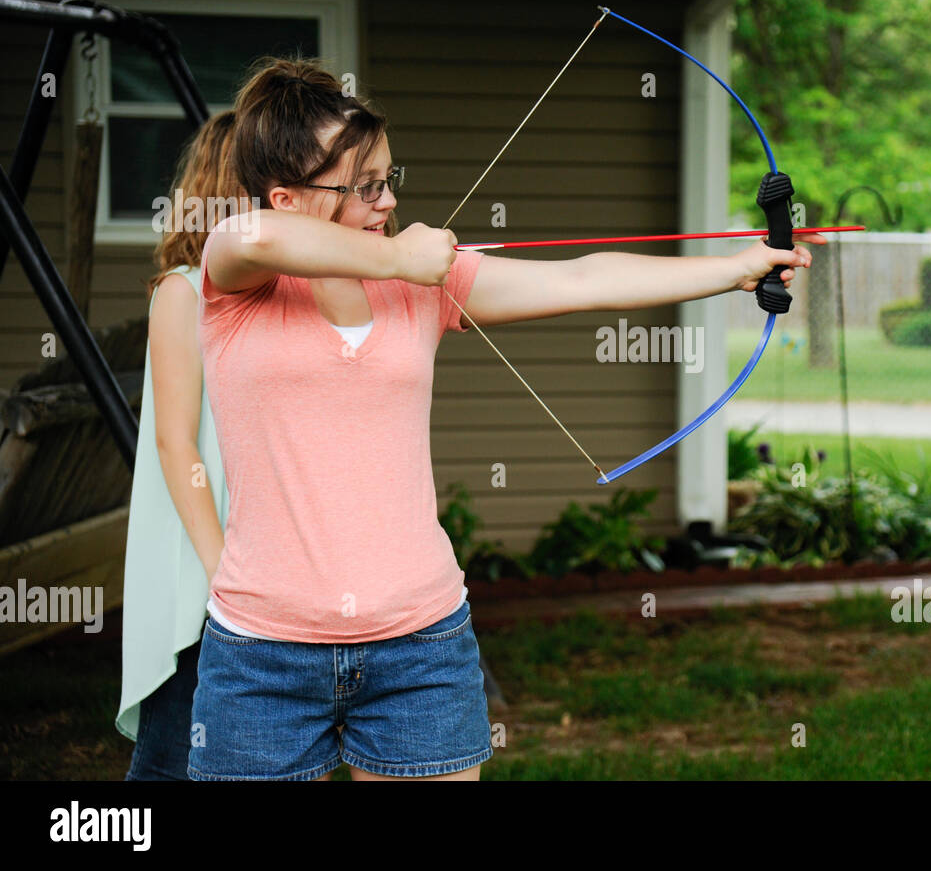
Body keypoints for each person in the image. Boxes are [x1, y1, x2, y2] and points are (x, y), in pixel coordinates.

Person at [188, 57, 821, 782]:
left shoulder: (423, 286)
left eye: (389, 179)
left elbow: (584, 279)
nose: (387, 200)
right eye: (364, 187)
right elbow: (258, 240)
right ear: (286, 197)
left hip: (419, 644)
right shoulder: (235, 286)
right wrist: (397, 257)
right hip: (262, 653)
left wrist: (734, 269)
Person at [117, 111, 244, 779]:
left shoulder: (266, 299)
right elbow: (176, 443)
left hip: (249, 567)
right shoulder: (184, 293)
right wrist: (221, 570)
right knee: (169, 755)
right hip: (199, 567)